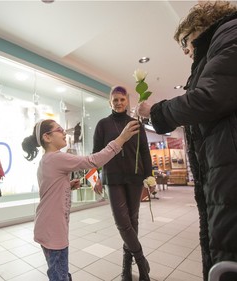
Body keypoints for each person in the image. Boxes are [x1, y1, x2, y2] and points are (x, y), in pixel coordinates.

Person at [136, 2, 237, 280]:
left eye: (184, 41)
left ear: (199, 27)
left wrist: (154, 112)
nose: (184, 50)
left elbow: (209, 98)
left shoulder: (230, 34)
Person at [22, 118, 139, 281]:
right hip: (53, 228)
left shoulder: (46, 160)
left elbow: (48, 188)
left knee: (59, 270)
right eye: (59, 129)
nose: (64, 132)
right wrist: (122, 138)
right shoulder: (57, 158)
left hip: (47, 225)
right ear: (47, 137)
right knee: (59, 274)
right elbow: (93, 161)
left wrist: (67, 185)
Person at [93, 86, 152, 281]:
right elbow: (95, 154)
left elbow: (144, 151)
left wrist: (149, 176)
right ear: (110, 102)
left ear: (127, 101)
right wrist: (96, 178)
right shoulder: (102, 125)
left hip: (135, 178)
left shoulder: (136, 124)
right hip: (113, 177)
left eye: (122, 99)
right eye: (115, 100)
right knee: (122, 221)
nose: (119, 103)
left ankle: (127, 266)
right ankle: (141, 260)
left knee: (132, 219)